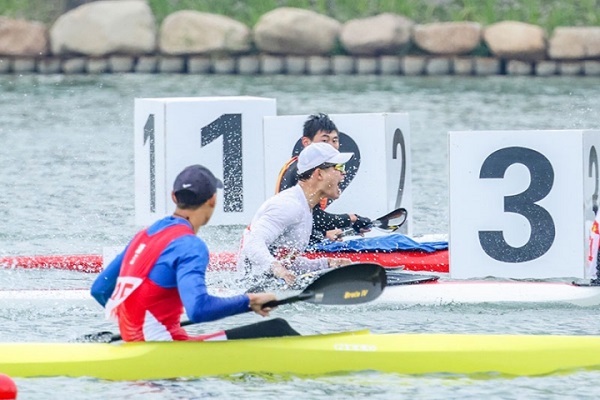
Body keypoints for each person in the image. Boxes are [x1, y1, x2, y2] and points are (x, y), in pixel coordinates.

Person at [91, 164, 298, 342]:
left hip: (135, 343)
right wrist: (249, 300)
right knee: (277, 330)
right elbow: (198, 309)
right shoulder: (190, 246)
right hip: (167, 354)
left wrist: (135, 325)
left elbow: (99, 289)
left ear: (174, 197)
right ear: (212, 200)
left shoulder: (144, 236)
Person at [238, 142, 354, 289]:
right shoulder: (289, 205)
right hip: (253, 292)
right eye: (339, 167)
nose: (344, 173)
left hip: (266, 288)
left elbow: (285, 259)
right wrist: (278, 269)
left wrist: (327, 263)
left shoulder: (304, 207)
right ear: (319, 173)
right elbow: (253, 244)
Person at [275, 113, 372, 244]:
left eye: (335, 140)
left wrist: (325, 233)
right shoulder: (300, 172)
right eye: (324, 141)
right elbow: (313, 218)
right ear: (306, 142)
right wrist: (352, 219)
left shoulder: (314, 169)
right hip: (287, 246)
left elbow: (308, 219)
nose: (331, 146)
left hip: (299, 240)